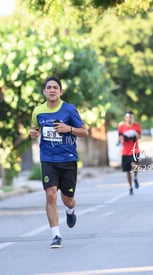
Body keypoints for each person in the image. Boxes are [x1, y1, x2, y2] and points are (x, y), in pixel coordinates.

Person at [29, 76, 88, 249]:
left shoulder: (69, 110)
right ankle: (56, 235)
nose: (52, 90)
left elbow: (84, 131)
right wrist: (33, 133)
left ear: (61, 91)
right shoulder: (38, 111)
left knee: (67, 199)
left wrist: (68, 129)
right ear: (44, 91)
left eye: (56, 87)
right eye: (49, 87)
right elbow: (35, 129)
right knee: (50, 194)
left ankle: (70, 210)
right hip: (48, 159)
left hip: (68, 160)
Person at [118, 110, 142, 195]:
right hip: (125, 151)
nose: (129, 118)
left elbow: (139, 136)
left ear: (133, 117)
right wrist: (121, 139)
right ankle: (130, 187)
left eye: (131, 117)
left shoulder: (136, 126)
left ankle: (135, 177)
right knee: (127, 171)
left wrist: (134, 134)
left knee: (134, 165)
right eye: (128, 117)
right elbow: (120, 137)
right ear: (125, 117)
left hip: (135, 150)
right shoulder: (121, 127)